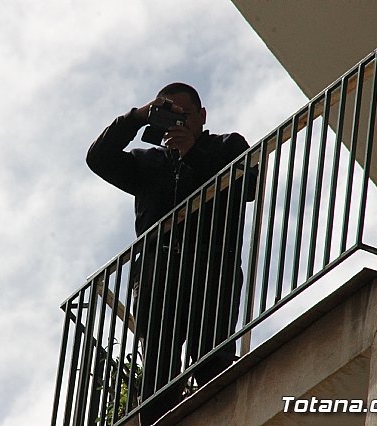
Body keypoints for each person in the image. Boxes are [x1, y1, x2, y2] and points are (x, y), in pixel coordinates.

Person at [86, 83, 255, 425]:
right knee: (158, 372)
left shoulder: (226, 145)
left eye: (184, 115)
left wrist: (191, 153)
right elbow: (98, 159)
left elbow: (248, 185)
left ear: (202, 116)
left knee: (210, 357)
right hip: (156, 276)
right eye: (168, 115)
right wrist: (136, 117)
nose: (177, 124)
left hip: (212, 268)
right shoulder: (147, 163)